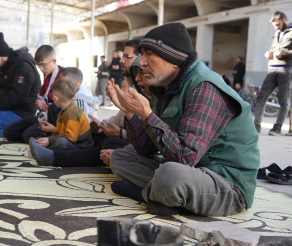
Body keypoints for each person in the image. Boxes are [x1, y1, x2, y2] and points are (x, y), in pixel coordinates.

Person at [107, 23, 259, 217]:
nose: (142, 62)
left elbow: (185, 158)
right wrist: (129, 113)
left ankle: (147, 194)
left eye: (149, 55)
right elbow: (147, 150)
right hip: (193, 172)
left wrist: (147, 115)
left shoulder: (204, 86)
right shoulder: (162, 86)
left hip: (226, 185)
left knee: (170, 174)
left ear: (174, 60)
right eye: (142, 54)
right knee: (120, 157)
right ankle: (163, 195)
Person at [3, 67, 98, 143]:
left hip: (61, 131)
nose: (60, 83)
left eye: (63, 81)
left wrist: (54, 130)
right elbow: (53, 108)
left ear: (76, 85)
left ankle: (43, 141)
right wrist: (44, 115)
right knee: (9, 131)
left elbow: (73, 133)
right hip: (51, 122)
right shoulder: (63, 95)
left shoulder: (79, 104)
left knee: (28, 135)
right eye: (60, 80)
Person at [29, 78, 94, 165]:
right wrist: (48, 140)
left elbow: (71, 138)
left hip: (80, 146)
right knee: (46, 140)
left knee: (61, 142)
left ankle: (44, 152)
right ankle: (41, 150)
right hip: (70, 142)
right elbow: (57, 132)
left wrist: (49, 141)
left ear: (56, 98)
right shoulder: (63, 112)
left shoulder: (72, 113)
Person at [254, 11, 292, 136]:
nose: (276, 27)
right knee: (260, 98)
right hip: (272, 69)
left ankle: (277, 128)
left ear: (285, 19)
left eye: (278, 24)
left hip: (285, 70)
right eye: (274, 25)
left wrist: (284, 54)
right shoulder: (277, 33)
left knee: (283, 101)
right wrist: (269, 54)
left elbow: (286, 52)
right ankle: (256, 126)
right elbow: (273, 49)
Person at [35, 45, 63, 112]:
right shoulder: (47, 73)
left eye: (43, 65)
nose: (41, 69)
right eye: (39, 65)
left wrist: (48, 106)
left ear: (54, 61)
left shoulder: (63, 76)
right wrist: (40, 103)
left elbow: (65, 104)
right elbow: (42, 95)